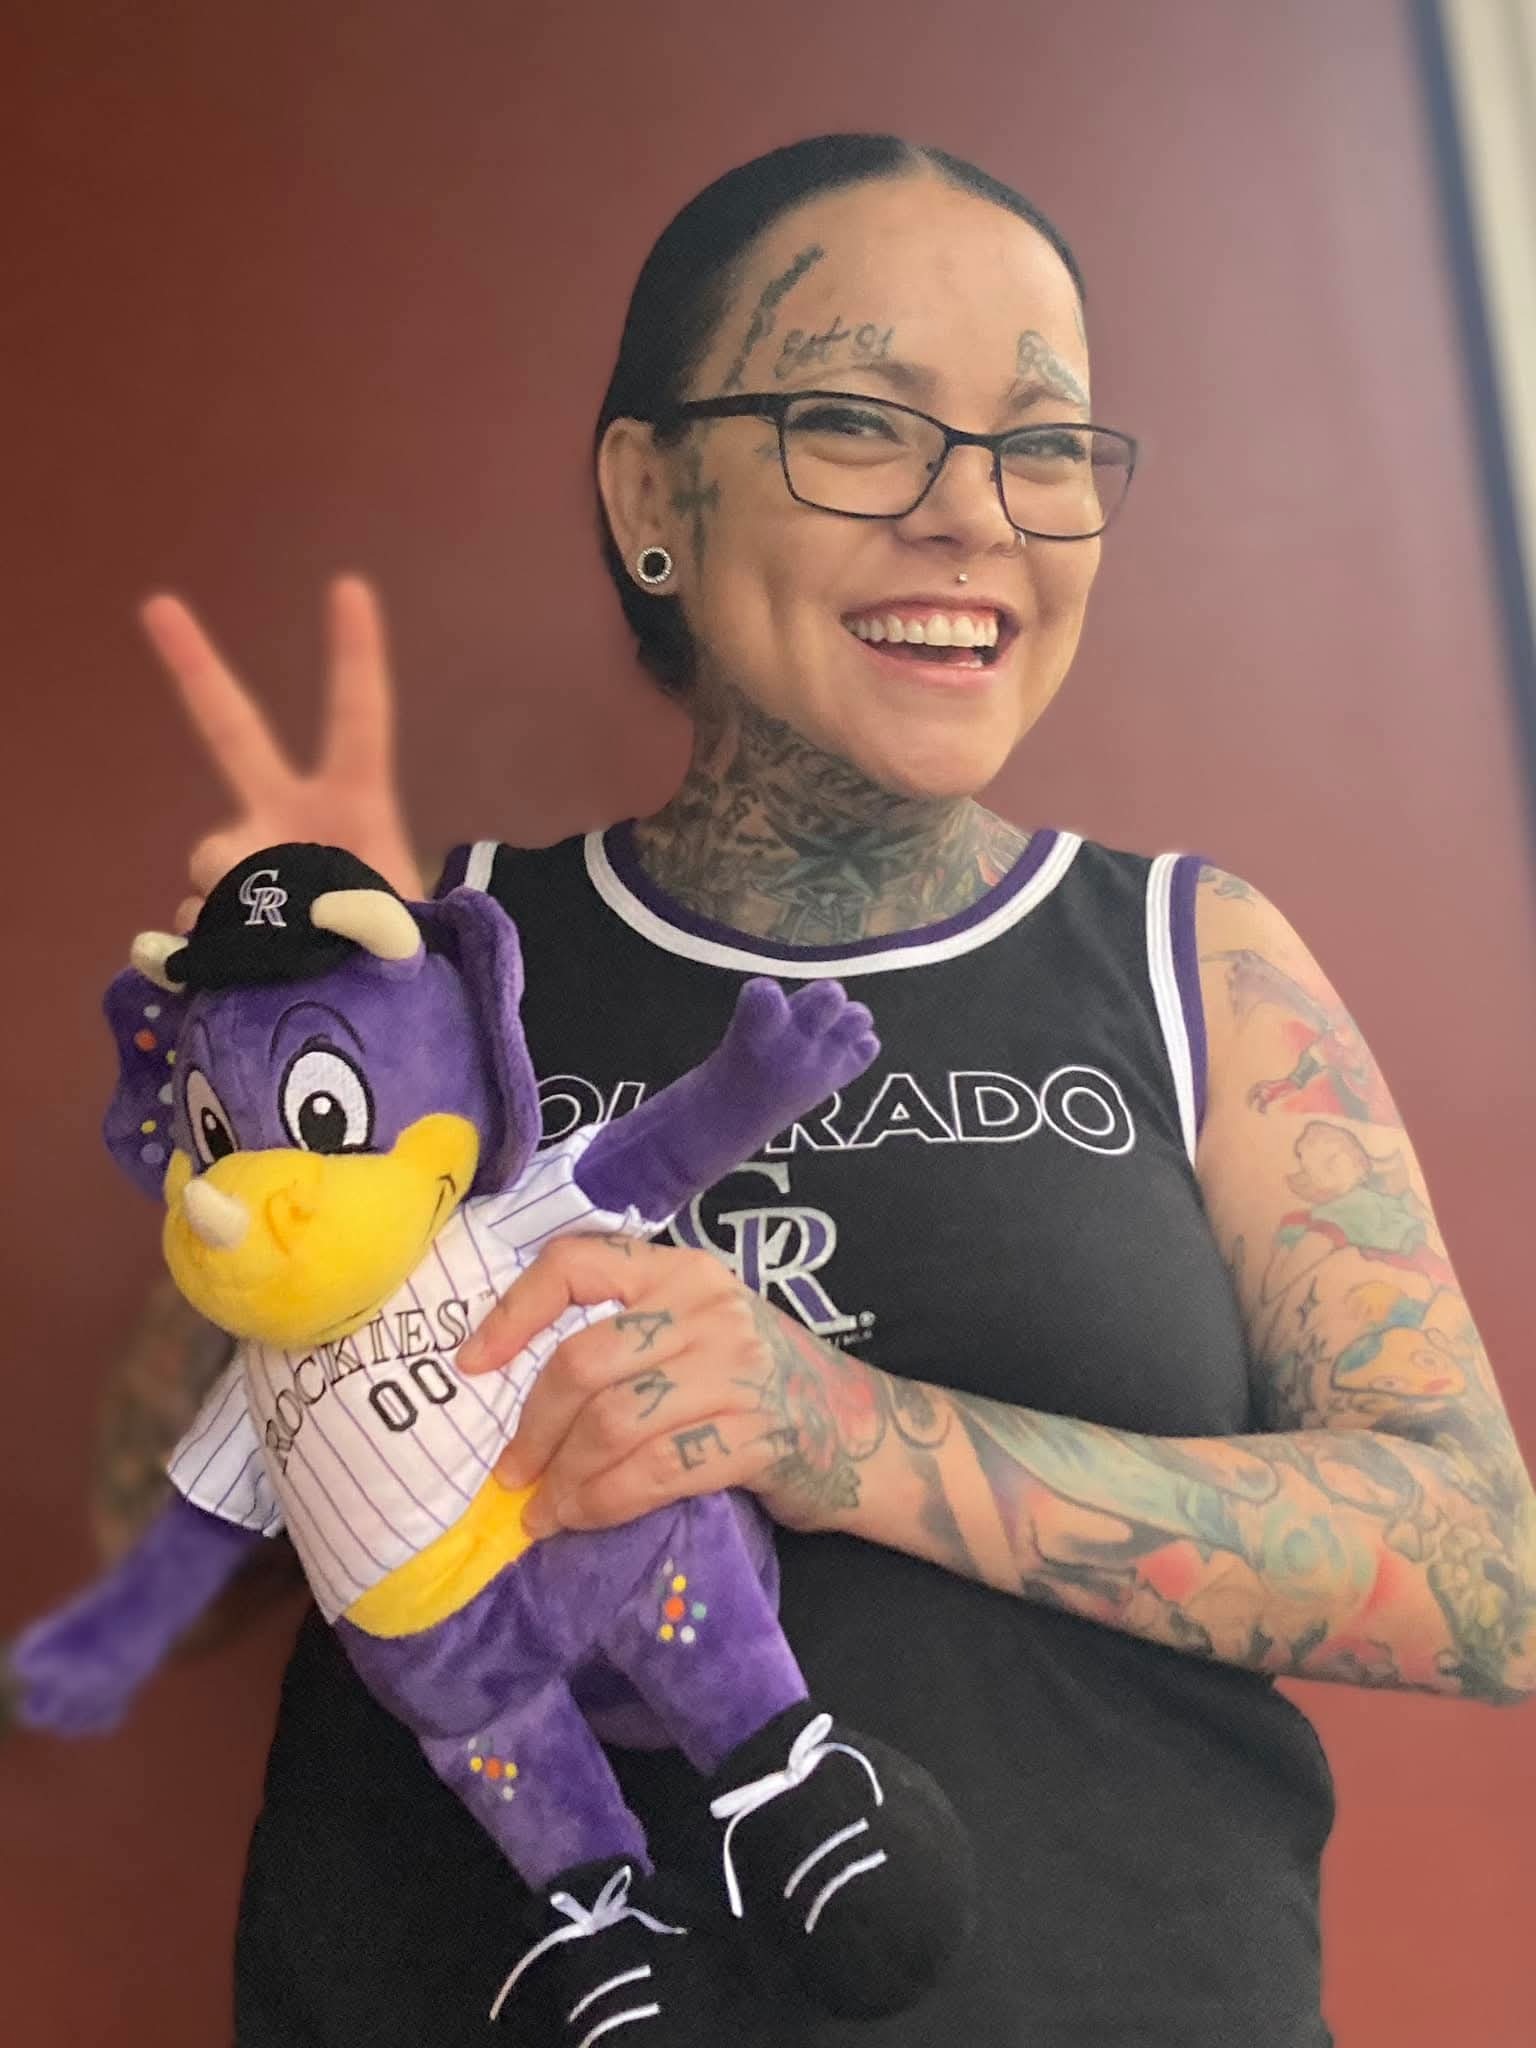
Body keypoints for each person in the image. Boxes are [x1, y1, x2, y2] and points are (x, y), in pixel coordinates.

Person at [112, 133, 1534, 2047]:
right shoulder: (440, 972)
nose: (974, 517)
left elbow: (1481, 1573)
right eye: (858, 420)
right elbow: (176, 1568)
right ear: (651, 496)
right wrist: (281, 1091)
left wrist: (841, 1431)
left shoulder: (1194, 959)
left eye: (1044, 444)